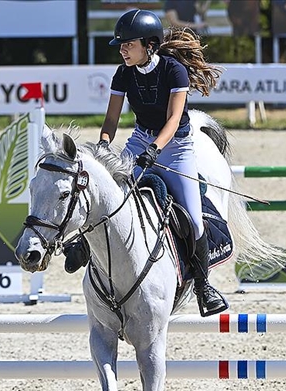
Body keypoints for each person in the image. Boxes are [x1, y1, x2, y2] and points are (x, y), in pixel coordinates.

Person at [99, 9, 228, 317]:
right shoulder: (122, 74)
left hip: (177, 146)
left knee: (194, 219)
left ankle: (203, 286)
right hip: (140, 139)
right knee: (108, 193)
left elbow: (173, 120)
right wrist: (103, 145)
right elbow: (111, 119)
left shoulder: (174, 71)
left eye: (128, 44)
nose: (122, 49)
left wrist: (155, 149)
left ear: (149, 45)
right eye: (121, 45)